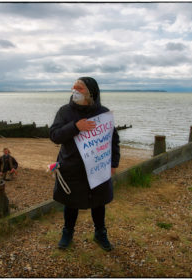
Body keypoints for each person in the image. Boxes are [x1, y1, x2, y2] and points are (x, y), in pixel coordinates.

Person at [49, 77, 120, 251]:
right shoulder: (64, 112)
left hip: (98, 166)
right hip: (71, 167)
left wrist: (113, 163)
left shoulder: (103, 113)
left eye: (79, 88)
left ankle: (100, 233)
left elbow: (113, 140)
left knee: (99, 203)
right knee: (71, 204)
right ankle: (67, 232)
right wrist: (76, 126)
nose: (74, 90)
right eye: (73, 87)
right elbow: (54, 136)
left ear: (91, 93)